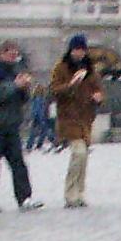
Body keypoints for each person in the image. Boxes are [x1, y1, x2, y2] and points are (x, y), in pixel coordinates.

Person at [0, 39, 40, 211]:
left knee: (18, 162)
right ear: (2, 53)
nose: (14, 58)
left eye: (16, 55)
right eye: (11, 55)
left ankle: (25, 198)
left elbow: (22, 99)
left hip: (11, 124)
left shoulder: (16, 70)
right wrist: (14, 86)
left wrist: (25, 88)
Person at [49, 34, 106, 209]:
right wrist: (71, 85)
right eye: (76, 49)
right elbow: (54, 90)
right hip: (68, 117)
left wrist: (98, 97)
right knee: (79, 153)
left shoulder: (90, 69)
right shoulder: (61, 67)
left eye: (82, 49)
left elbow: (98, 89)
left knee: (83, 158)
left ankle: (79, 192)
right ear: (71, 50)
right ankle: (70, 193)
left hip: (86, 118)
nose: (79, 53)